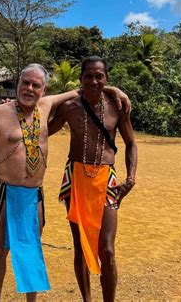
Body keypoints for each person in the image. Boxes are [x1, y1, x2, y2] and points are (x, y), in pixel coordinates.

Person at [0, 63, 130, 302]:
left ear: (44, 89)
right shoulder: (0, 113)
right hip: (2, 189)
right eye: (25, 82)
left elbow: (87, 87)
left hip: (32, 194)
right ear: (18, 83)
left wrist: (115, 91)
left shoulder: (46, 105)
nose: (29, 88)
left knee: (31, 249)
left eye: (35, 85)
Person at [48, 56, 138, 301]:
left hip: (106, 179)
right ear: (81, 78)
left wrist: (130, 179)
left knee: (106, 250)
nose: (94, 81)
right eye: (89, 75)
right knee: (80, 247)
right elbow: (44, 131)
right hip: (75, 178)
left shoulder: (118, 106)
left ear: (106, 79)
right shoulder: (69, 107)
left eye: (100, 76)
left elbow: (131, 144)